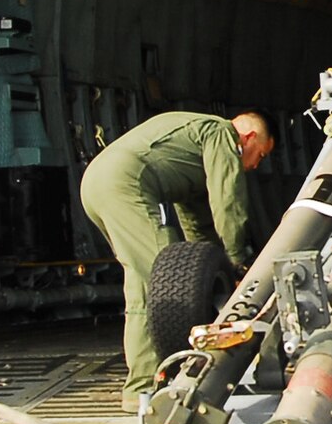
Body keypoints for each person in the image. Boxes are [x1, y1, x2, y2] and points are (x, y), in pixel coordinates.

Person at [79, 109, 274, 402]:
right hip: (124, 184)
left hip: (97, 183)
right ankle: (170, 380)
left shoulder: (191, 146)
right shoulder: (220, 133)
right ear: (246, 139)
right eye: (259, 155)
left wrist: (215, 267)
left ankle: (142, 388)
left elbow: (196, 223)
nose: (256, 166)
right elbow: (228, 202)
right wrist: (238, 259)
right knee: (169, 284)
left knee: (145, 285)